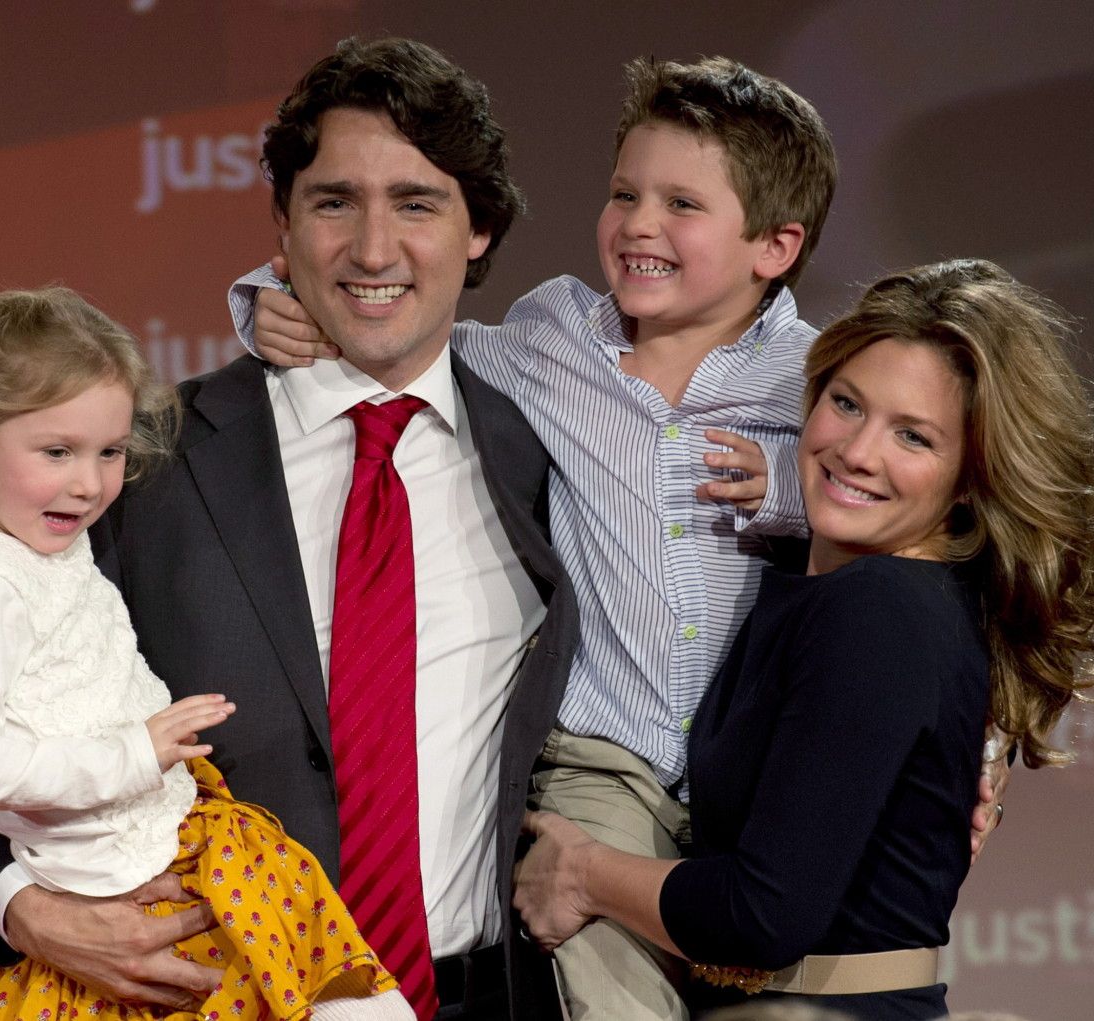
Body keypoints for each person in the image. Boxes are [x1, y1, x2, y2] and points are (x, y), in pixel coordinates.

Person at [250, 57, 1005, 1019]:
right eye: (623, 193)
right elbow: (402, 327)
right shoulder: (551, 340)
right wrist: (268, 300)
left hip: (754, 762)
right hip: (609, 757)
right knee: (618, 998)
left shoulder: (815, 379)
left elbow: (927, 536)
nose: (638, 224)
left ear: (776, 245)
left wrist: (789, 489)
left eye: (680, 203)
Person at [0, 39, 578, 1021]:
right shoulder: (145, 461)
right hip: (214, 992)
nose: (372, 248)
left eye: (416, 202)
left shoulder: (546, 451)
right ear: (281, 224)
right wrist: (22, 907)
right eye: (332, 201)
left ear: (478, 228)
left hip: (488, 994)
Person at [511, 260, 1094, 1021]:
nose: (858, 452)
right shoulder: (851, 588)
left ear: (970, 476)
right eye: (846, 403)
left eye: (914, 436)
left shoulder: (879, 607)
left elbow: (763, 913)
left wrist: (585, 871)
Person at [0, 287, 412, 1020]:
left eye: (110, 451)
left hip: (176, 828)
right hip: (118, 873)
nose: (88, 484)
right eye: (57, 451)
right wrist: (132, 752)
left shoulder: (28, 530)